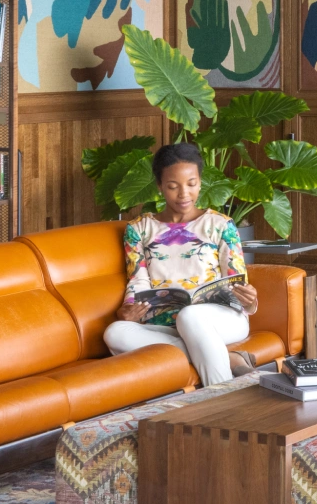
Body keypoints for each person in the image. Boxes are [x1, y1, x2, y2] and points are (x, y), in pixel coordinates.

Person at [103, 142, 261, 385]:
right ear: (159, 186)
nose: (184, 194)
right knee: (114, 333)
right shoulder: (138, 229)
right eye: (173, 186)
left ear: (200, 181)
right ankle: (227, 358)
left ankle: (221, 396)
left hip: (222, 319)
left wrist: (248, 298)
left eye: (191, 184)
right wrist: (129, 309)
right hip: (166, 324)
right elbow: (138, 278)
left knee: (190, 316)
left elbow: (235, 279)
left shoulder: (220, 225)